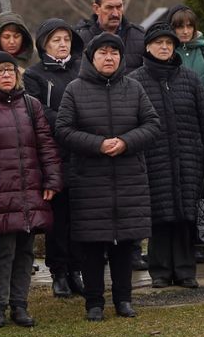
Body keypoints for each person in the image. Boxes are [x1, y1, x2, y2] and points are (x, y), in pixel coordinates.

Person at [55, 34, 159, 321]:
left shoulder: (134, 88)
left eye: (114, 52)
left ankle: (124, 299)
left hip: (129, 178)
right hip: (90, 180)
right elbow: (63, 130)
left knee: (125, 244)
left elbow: (152, 124)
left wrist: (126, 142)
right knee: (92, 245)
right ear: (92, 58)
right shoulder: (75, 89)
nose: (109, 57)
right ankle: (94, 302)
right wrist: (97, 144)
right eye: (103, 52)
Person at [0, 52, 63, 327]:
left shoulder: (31, 105)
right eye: (0, 70)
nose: (6, 75)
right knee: (3, 250)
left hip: (30, 190)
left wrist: (52, 181)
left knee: (26, 251)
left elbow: (46, 146)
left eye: (10, 70)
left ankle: (20, 305)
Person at [128, 23, 204, 289]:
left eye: (169, 43)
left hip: (189, 158)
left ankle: (186, 270)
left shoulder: (189, 79)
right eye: (159, 43)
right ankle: (160, 271)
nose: (165, 47)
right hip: (153, 160)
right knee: (159, 216)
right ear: (148, 47)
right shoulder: (135, 81)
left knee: (186, 216)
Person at [24, 18, 86, 298]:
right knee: (58, 218)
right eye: (56, 40)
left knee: (79, 217)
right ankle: (59, 272)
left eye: (67, 39)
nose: (63, 45)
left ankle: (77, 270)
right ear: (44, 44)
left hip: (82, 152)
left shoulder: (82, 70)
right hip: (54, 153)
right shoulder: (34, 75)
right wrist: (68, 123)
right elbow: (37, 110)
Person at [76, 0, 146, 71]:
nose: (115, 14)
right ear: (96, 9)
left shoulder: (141, 37)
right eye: (109, 8)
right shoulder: (79, 40)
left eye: (119, 7)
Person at [166, 4, 204, 105]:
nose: (185, 31)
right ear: (172, 28)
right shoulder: (165, 52)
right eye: (180, 27)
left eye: (189, 26)